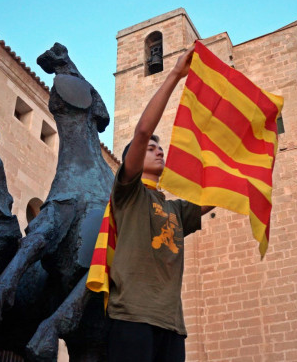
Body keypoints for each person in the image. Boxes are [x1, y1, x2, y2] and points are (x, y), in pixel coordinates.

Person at [107, 43, 214, 362]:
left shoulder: (176, 210)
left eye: (159, 147)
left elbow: (219, 191)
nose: (158, 149)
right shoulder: (128, 193)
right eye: (150, 148)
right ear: (132, 160)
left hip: (172, 325)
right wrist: (176, 75)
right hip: (130, 319)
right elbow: (142, 132)